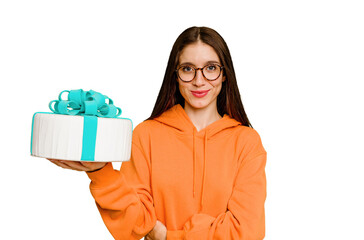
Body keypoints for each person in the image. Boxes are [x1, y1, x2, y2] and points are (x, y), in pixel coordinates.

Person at [48, 26, 267, 240]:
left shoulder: (247, 142)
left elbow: (246, 231)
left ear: (224, 74)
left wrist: (169, 236)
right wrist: (101, 172)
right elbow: (133, 226)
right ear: (176, 75)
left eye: (210, 68)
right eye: (188, 69)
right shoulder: (145, 135)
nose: (199, 81)